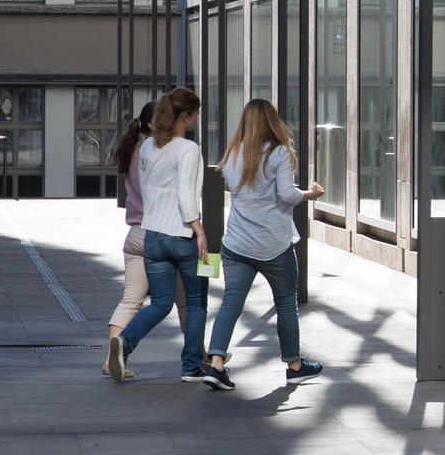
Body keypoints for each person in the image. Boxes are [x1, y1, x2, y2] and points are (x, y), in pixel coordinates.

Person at [203, 98, 326, 389]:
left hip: (237, 244)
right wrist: (309, 194)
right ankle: (294, 365)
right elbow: (287, 195)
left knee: (231, 303)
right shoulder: (279, 152)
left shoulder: (233, 153)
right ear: (273, 121)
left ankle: (216, 363)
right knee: (285, 304)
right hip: (274, 244)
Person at [113, 88, 212, 383]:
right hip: (181, 235)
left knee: (160, 303)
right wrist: (199, 230)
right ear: (186, 116)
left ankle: (125, 341)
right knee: (195, 302)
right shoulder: (188, 149)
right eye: (195, 114)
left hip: (151, 235)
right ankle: (192, 366)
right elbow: (186, 194)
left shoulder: (147, 148)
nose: (196, 119)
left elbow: (147, 190)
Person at [101, 101, 156, 381]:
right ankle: (205, 357)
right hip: (156, 234)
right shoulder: (151, 155)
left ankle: (110, 360)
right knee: (187, 300)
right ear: (151, 125)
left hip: (134, 234)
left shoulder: (131, 152)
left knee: (130, 300)